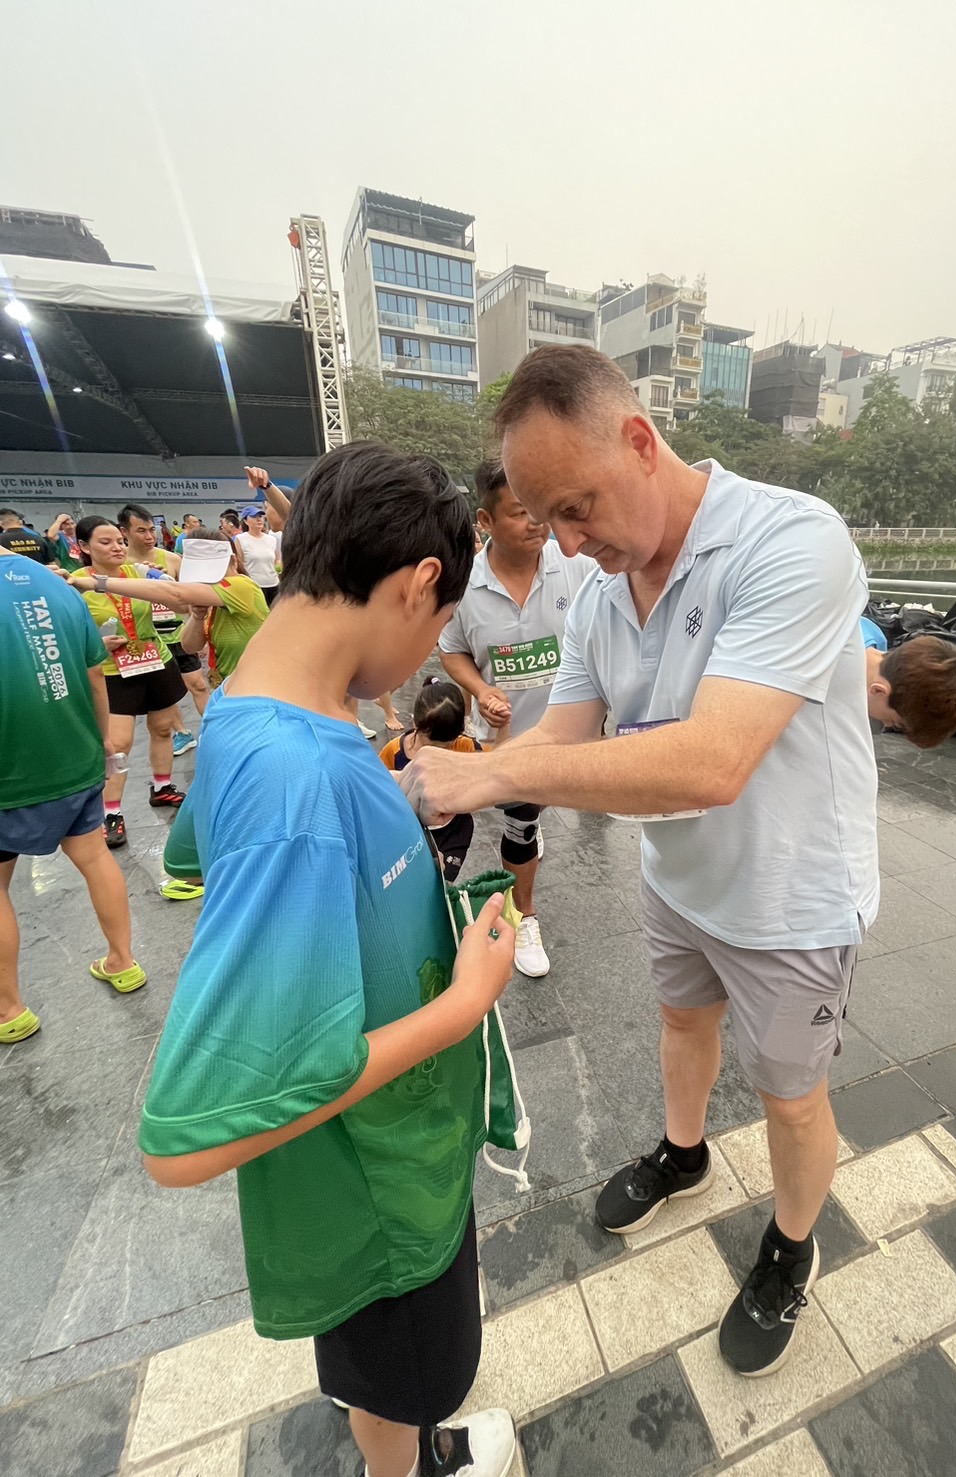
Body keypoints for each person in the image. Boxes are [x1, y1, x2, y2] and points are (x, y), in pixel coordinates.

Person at [400, 344, 881, 1380]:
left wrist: (487, 777)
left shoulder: (790, 541)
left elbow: (712, 763)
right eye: (549, 521)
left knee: (791, 1095)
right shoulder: (600, 595)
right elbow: (563, 736)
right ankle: (684, 1150)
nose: (571, 542)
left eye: (576, 507)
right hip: (678, 878)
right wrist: (456, 769)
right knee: (681, 1023)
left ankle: (791, 1248)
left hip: (790, 894)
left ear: (638, 439)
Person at [138, 442, 518, 1477]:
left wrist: (374, 806)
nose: (432, 646)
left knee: (379, 1382)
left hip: (379, 1163)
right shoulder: (296, 780)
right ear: (419, 583)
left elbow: (194, 854)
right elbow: (187, 1142)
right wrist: (464, 1003)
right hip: (380, 1190)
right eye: (441, 623)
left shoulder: (262, 706)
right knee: (407, 1380)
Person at [438, 459, 597, 978]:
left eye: (540, 510)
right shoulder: (464, 586)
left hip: (567, 732)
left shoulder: (576, 566)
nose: (537, 523)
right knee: (521, 822)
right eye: (520, 512)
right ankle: (525, 914)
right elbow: (451, 650)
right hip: (506, 738)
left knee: (535, 807)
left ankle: (531, 822)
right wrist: (481, 689)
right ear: (484, 520)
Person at [0, 548, 146, 1041]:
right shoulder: (57, 585)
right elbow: (95, 675)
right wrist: (101, 742)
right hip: (76, 753)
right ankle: (123, 961)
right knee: (94, 856)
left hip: (10, 770)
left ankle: (9, 1009)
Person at [69, 517, 187, 847]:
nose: (117, 547)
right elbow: (65, 632)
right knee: (118, 744)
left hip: (154, 659)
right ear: (84, 547)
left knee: (162, 728)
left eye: (120, 541)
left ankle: (162, 787)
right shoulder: (74, 584)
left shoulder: (140, 573)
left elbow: (173, 595)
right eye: (105, 542)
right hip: (111, 671)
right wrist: (94, 644)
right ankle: (111, 813)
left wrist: (163, 578)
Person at [85, 529, 269, 690]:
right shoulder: (211, 597)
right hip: (230, 685)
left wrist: (98, 583)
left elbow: (175, 594)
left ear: (233, 561)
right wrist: (197, 617)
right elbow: (190, 646)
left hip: (255, 685)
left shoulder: (242, 586)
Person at [116, 502, 207, 755]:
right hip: (147, 640)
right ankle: (181, 732)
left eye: (151, 530)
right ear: (124, 532)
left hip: (178, 633)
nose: (149, 536)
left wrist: (199, 630)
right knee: (165, 695)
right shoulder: (120, 567)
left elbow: (192, 596)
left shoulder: (171, 559)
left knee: (198, 683)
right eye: (141, 531)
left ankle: (215, 729)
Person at [379, 678, 482, 883]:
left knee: (440, 881)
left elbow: (490, 781)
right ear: (414, 723)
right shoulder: (394, 751)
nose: (435, 754)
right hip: (407, 830)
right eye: (429, 745)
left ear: (461, 731)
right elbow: (378, 794)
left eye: (446, 747)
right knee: (409, 882)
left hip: (452, 831)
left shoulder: (467, 748)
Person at [861, 618, 956, 746]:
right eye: (893, 721)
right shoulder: (846, 638)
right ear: (878, 690)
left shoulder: (875, 638)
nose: (887, 724)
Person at [235, 505, 281, 605]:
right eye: (254, 517)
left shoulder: (272, 539)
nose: (259, 519)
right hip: (254, 586)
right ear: (246, 521)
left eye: (260, 516)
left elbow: (277, 560)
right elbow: (239, 564)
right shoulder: (241, 539)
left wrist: (279, 571)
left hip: (273, 584)